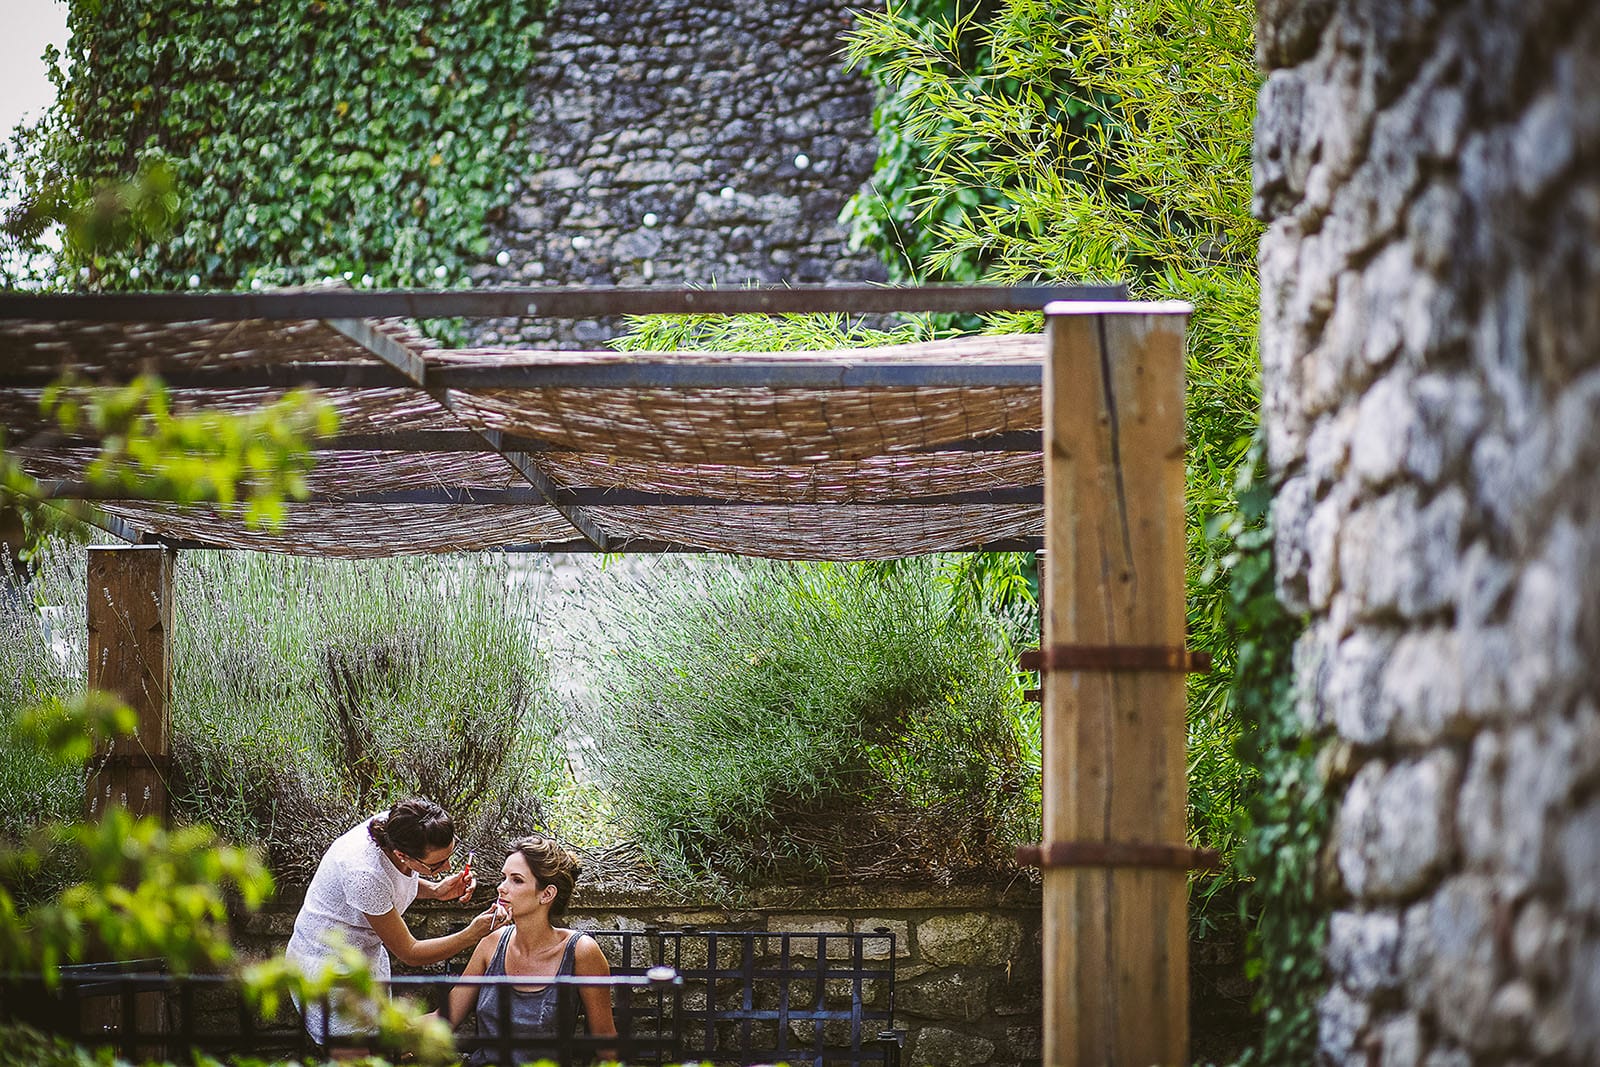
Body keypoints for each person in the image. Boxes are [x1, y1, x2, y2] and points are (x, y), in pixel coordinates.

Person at [286, 797, 508, 1048]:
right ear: (402, 854)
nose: (447, 867)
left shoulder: (397, 827)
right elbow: (410, 952)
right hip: (330, 966)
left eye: (451, 853)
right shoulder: (364, 874)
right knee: (354, 1052)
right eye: (436, 865)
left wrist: (435, 889)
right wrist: (471, 934)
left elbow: (393, 882)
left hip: (363, 957)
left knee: (378, 1045)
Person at [447, 835, 617, 1064]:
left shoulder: (581, 951)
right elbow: (445, 1019)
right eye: (504, 877)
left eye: (516, 880)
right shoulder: (492, 943)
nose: (501, 887)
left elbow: (606, 1046)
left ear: (546, 894)